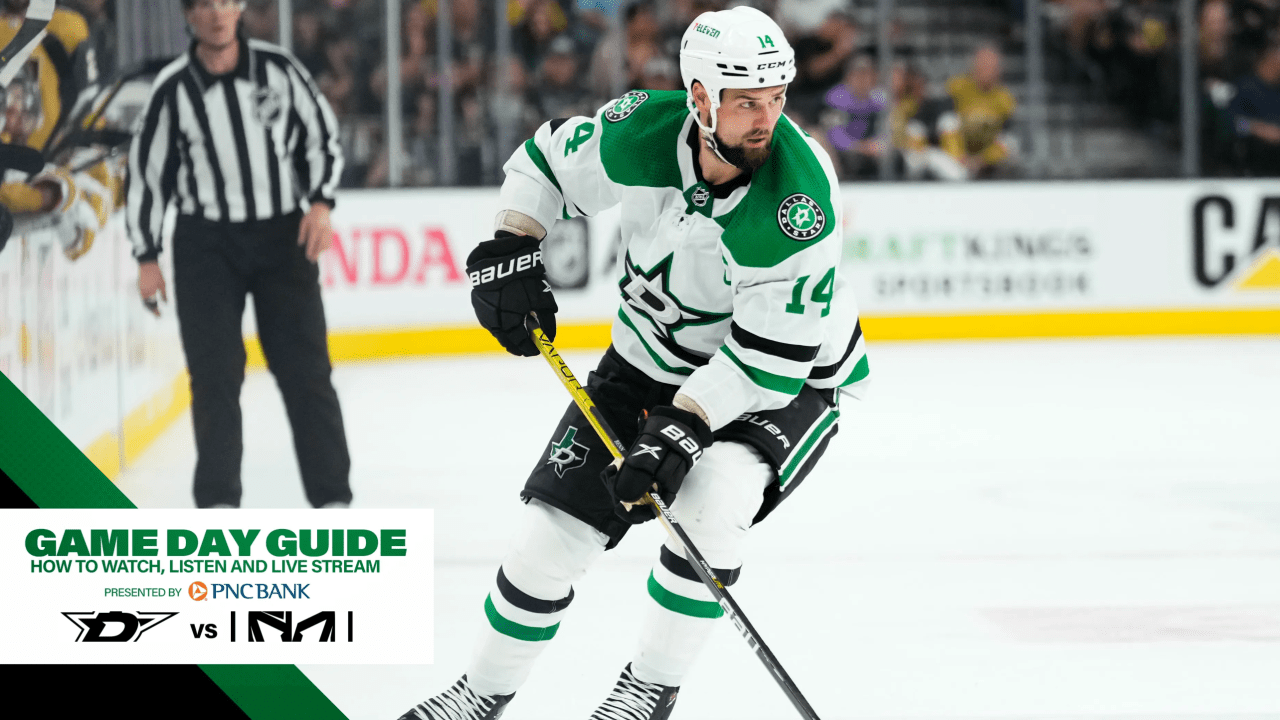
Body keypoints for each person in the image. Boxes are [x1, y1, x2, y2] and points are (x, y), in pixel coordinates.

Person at [398, 6, 868, 720]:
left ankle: (649, 688)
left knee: (713, 502)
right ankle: (479, 692)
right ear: (701, 96)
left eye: (776, 99)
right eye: (747, 102)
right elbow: (545, 164)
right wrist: (509, 243)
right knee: (544, 542)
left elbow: (769, 360)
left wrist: (686, 424)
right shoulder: (642, 130)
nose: (766, 119)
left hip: (781, 385)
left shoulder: (799, 200)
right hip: (644, 362)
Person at [126, 0, 351, 509]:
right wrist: (146, 255)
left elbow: (321, 137)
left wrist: (319, 203)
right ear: (187, 14)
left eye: (226, 1)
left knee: (307, 371)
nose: (217, 14)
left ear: (241, 6)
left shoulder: (278, 69)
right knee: (214, 376)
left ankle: (333, 500)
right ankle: (219, 506)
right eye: (203, 4)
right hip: (204, 245)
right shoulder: (172, 90)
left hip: (281, 237)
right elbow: (146, 176)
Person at [946, 44, 1016, 179]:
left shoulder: (1005, 98)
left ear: (999, 70)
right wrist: (959, 156)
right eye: (982, 64)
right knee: (948, 121)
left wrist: (982, 160)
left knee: (1012, 144)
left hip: (986, 157)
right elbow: (946, 125)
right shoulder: (957, 87)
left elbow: (1005, 137)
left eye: (991, 66)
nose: (986, 69)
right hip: (958, 153)